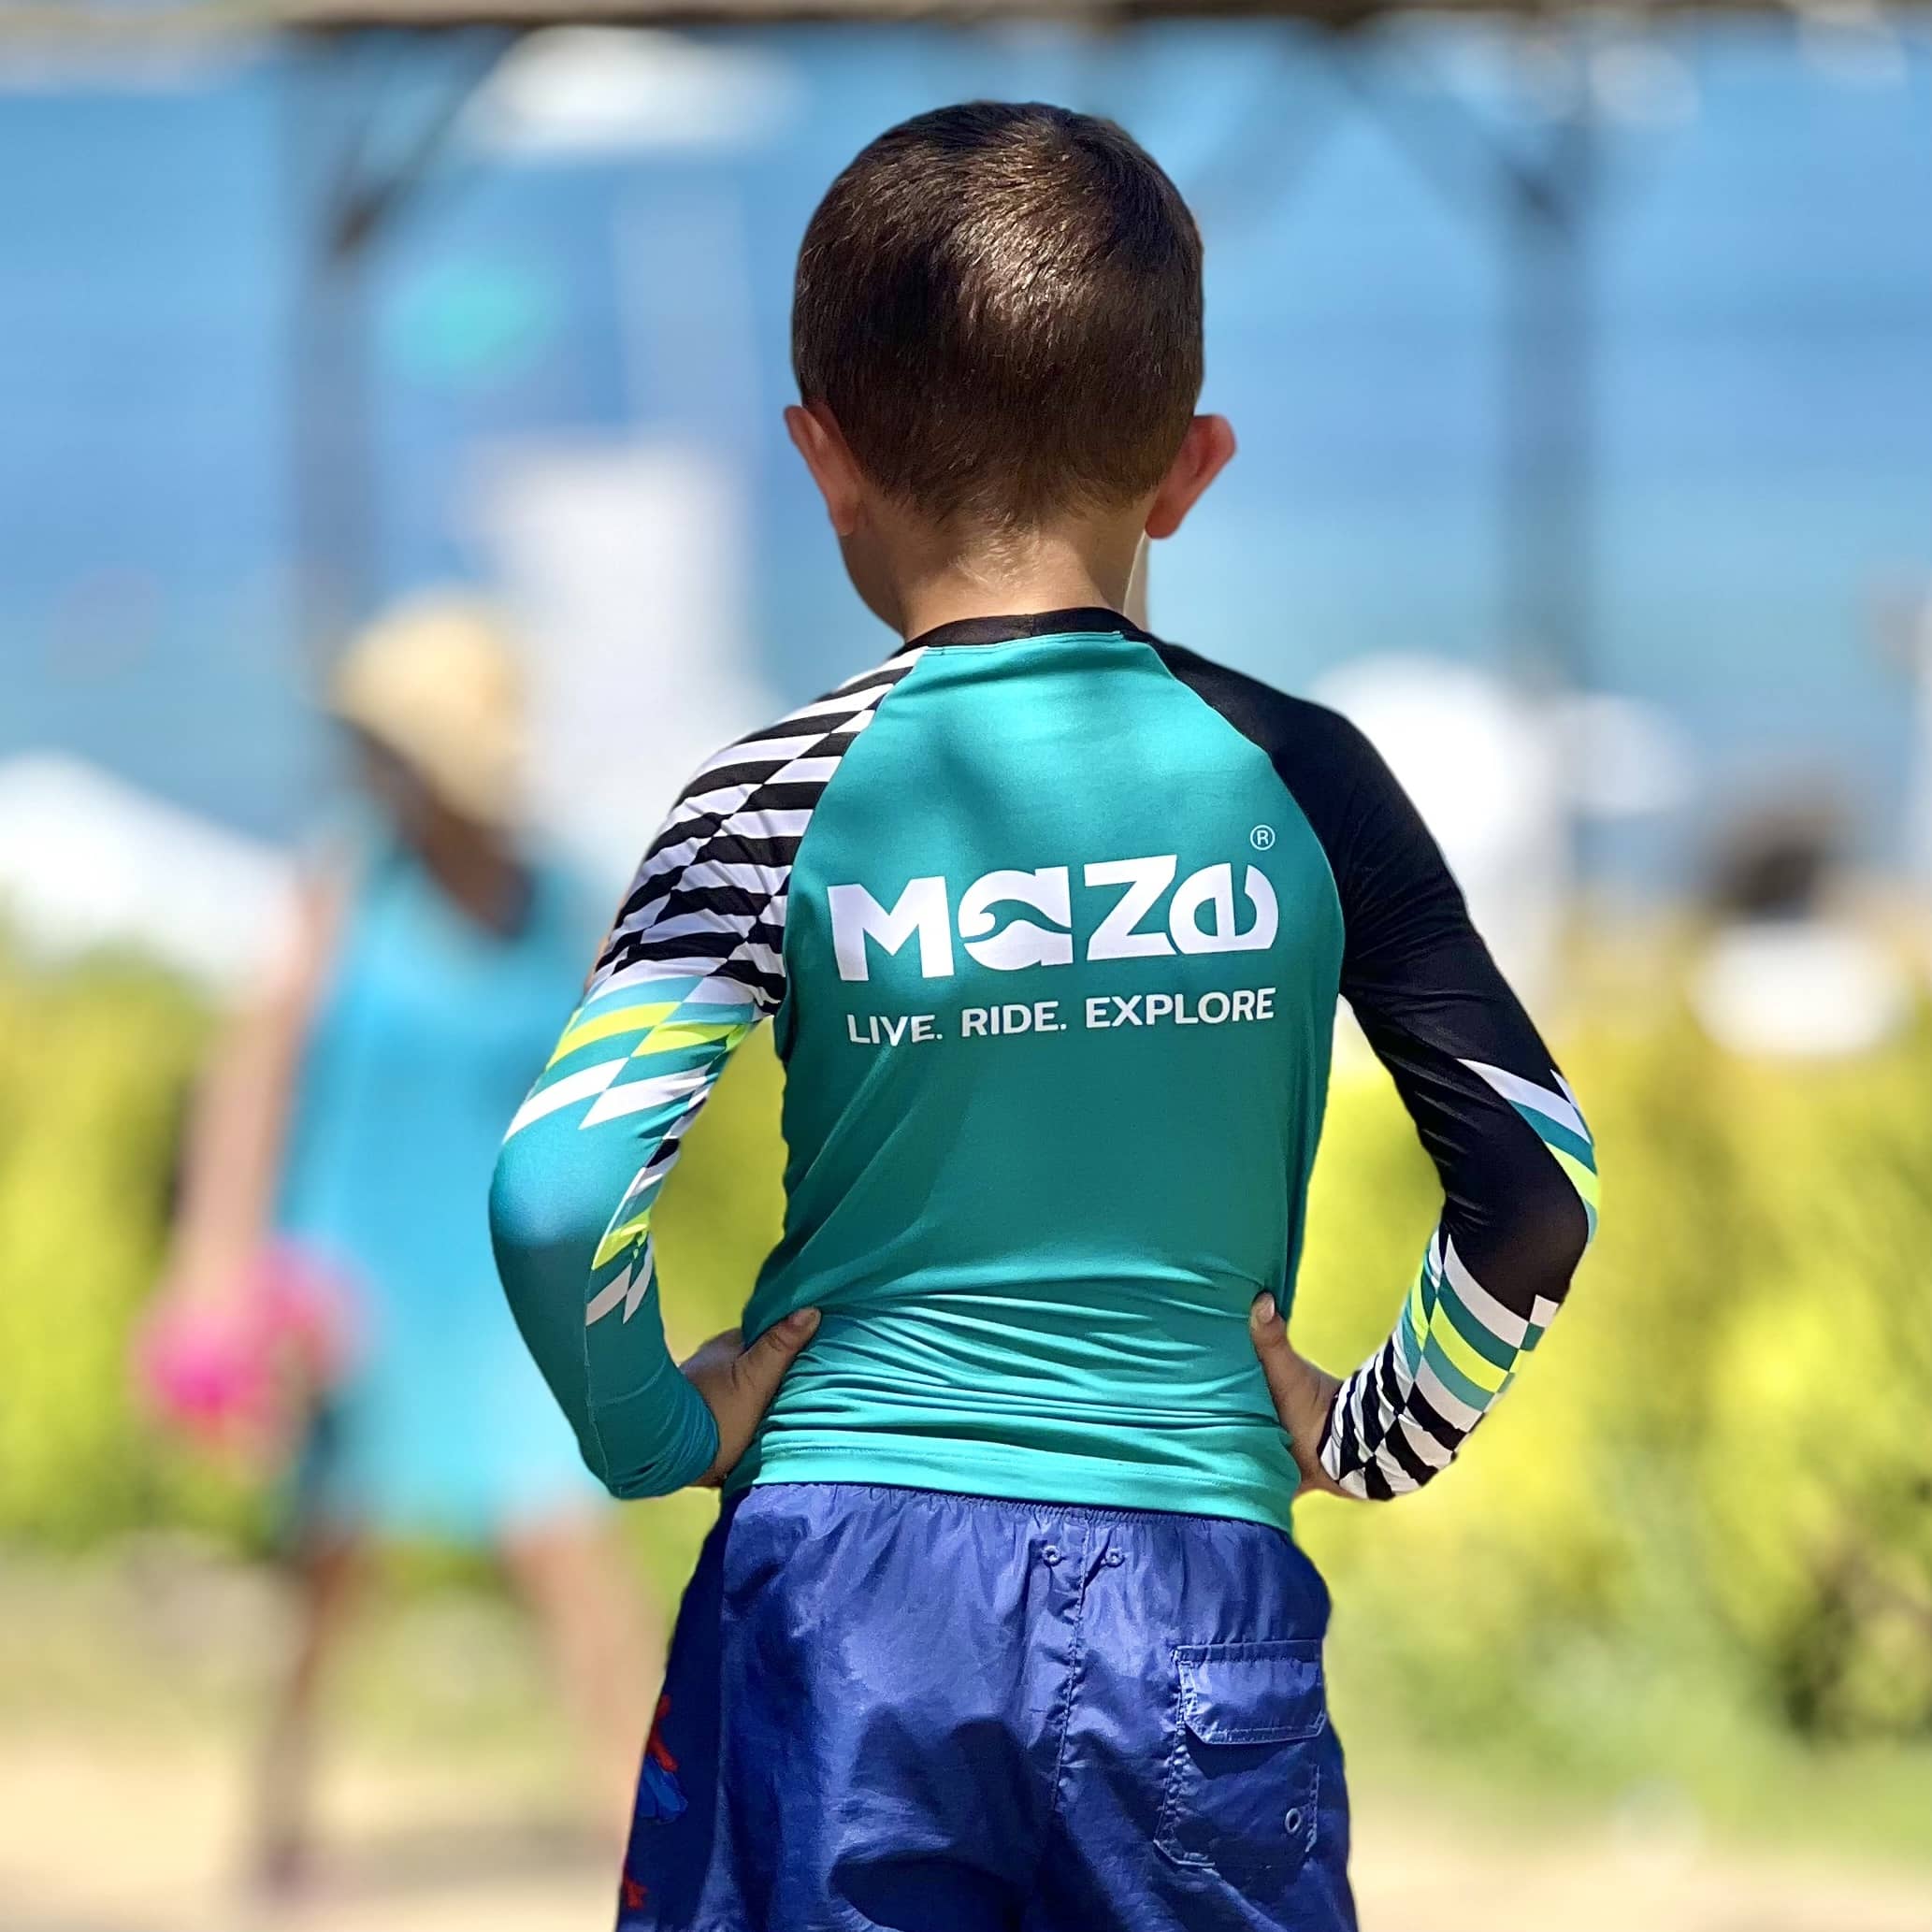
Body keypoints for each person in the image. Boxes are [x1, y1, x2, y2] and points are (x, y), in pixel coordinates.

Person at [490, 104, 1599, 1932]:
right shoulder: (1304, 776)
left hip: (838, 1599)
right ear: (1189, 465)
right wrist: (1377, 1427)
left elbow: (553, 1194)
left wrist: (655, 1430)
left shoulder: (765, 798)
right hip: (1192, 1601)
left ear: (820, 456)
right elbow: (1535, 1185)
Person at [157, 597, 656, 1893]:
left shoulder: (564, 899)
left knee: (566, 1544)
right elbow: (255, 1073)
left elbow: (614, 1099)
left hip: (504, 1282)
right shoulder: (346, 880)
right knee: (331, 1554)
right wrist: (215, 1260)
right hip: (353, 1279)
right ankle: (278, 1810)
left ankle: (640, 1824)